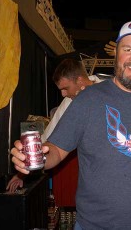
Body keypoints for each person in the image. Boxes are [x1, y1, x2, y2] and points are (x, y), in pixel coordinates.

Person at [11, 19, 131, 230]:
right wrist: (34, 157)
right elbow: (56, 151)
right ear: (116, 53)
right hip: (95, 225)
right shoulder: (87, 100)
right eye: (127, 49)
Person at [6, 59, 102, 193]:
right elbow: (48, 139)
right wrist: (22, 170)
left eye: (65, 88)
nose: (63, 94)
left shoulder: (110, 88)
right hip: (93, 179)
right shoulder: (69, 103)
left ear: (80, 81)